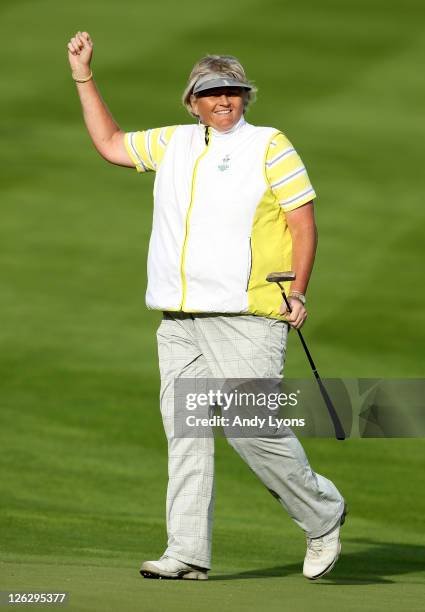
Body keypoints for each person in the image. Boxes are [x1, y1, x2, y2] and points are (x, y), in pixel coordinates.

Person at [67, 31, 346, 581]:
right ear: (192, 100)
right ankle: (187, 552)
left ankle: (322, 513)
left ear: (246, 98)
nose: (224, 101)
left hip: (246, 315)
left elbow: (302, 222)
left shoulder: (269, 144)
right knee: (186, 433)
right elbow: (111, 144)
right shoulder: (172, 143)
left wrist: (299, 290)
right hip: (178, 319)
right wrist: (83, 75)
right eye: (212, 92)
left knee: (251, 429)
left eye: (234, 92)